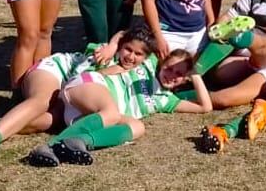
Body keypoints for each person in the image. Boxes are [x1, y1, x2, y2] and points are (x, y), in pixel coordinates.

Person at [0, 29, 139, 165]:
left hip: (68, 94)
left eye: (138, 54)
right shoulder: (105, 52)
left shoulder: (137, 73)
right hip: (55, 71)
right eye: (128, 49)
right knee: (42, 101)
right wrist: (113, 45)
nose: (130, 56)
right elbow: (124, 33)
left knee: (50, 121)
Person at [27, 48, 212, 166]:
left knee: (138, 126)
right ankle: (52, 146)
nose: (172, 75)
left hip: (97, 117)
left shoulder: (167, 100)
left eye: (179, 74)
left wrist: (195, 75)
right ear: (162, 63)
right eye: (169, 68)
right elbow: (129, 37)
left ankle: (80, 141)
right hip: (91, 93)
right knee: (111, 113)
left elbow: (205, 107)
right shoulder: (147, 64)